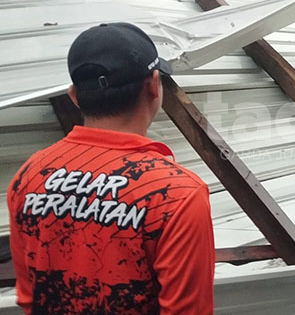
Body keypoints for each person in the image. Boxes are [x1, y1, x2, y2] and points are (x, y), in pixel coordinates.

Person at [6, 23, 215, 314]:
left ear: (74, 96)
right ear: (153, 85)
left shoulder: (29, 177)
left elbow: (29, 297)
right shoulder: (176, 196)